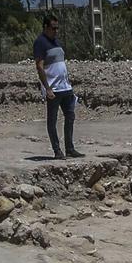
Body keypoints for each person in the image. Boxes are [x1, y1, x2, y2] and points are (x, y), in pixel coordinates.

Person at [32, 12, 81, 159]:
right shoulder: (40, 42)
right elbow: (40, 66)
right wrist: (47, 88)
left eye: (57, 28)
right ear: (46, 27)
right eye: (53, 28)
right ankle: (57, 150)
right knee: (52, 120)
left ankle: (70, 148)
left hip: (65, 87)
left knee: (70, 116)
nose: (56, 31)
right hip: (53, 88)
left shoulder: (57, 42)